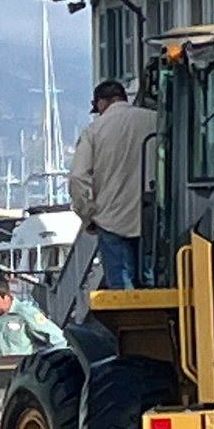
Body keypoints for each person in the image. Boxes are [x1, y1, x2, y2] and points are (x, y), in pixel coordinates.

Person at [68, 79, 158, 290]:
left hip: (111, 218)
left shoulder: (94, 131)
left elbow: (77, 178)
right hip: (152, 216)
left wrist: (87, 213)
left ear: (100, 103)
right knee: (155, 285)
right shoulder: (156, 121)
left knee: (122, 289)